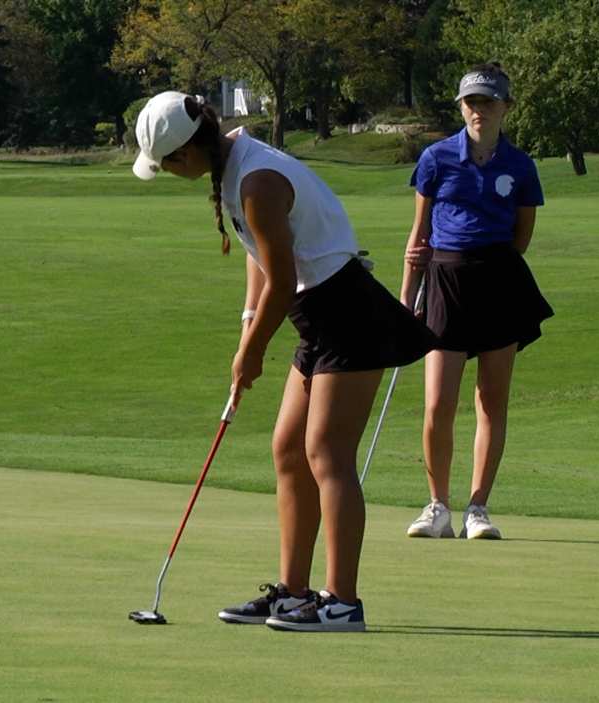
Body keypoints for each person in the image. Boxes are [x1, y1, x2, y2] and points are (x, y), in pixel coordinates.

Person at [132, 91, 434, 632]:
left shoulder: (257, 182)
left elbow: (279, 278)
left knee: (327, 453)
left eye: (164, 165)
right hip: (317, 315)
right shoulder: (232, 172)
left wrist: (251, 354)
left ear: (183, 155)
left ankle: (342, 602)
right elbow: (263, 263)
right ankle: (293, 591)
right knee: (289, 450)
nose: (168, 174)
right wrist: (247, 326)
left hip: (348, 312)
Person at [401, 63, 553, 540]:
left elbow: (521, 234)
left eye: (487, 102)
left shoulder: (520, 166)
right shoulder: (436, 158)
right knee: (437, 403)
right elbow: (419, 235)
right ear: (461, 107)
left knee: (491, 400)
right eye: (470, 102)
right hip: (444, 279)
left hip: (499, 282)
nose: (478, 110)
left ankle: (477, 509)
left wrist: (494, 268)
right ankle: (437, 506)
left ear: (505, 106)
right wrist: (407, 300)